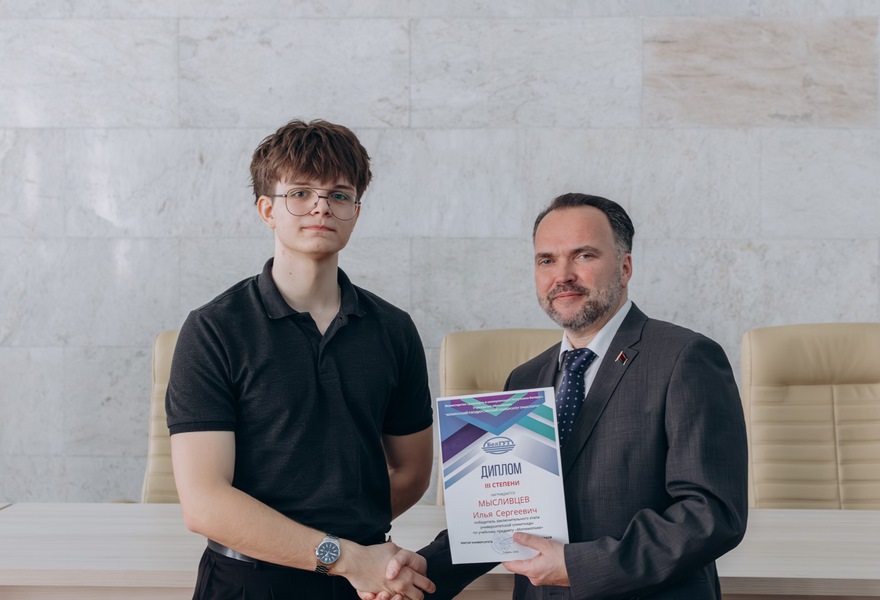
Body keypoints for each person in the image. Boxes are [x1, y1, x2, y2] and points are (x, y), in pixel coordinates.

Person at [369, 193, 748, 599]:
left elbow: (711, 514)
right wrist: (426, 571)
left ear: (625, 267)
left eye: (583, 255)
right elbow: (501, 515)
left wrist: (576, 566)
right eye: (547, 260)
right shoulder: (525, 378)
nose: (563, 275)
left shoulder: (685, 358)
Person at [166, 119, 435, 600]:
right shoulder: (213, 329)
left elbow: (412, 471)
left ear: (355, 212)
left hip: (365, 583)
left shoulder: (394, 329)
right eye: (300, 193)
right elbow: (204, 502)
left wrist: (350, 542)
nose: (321, 206)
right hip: (248, 582)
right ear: (267, 209)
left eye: (339, 195)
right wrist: (336, 554)